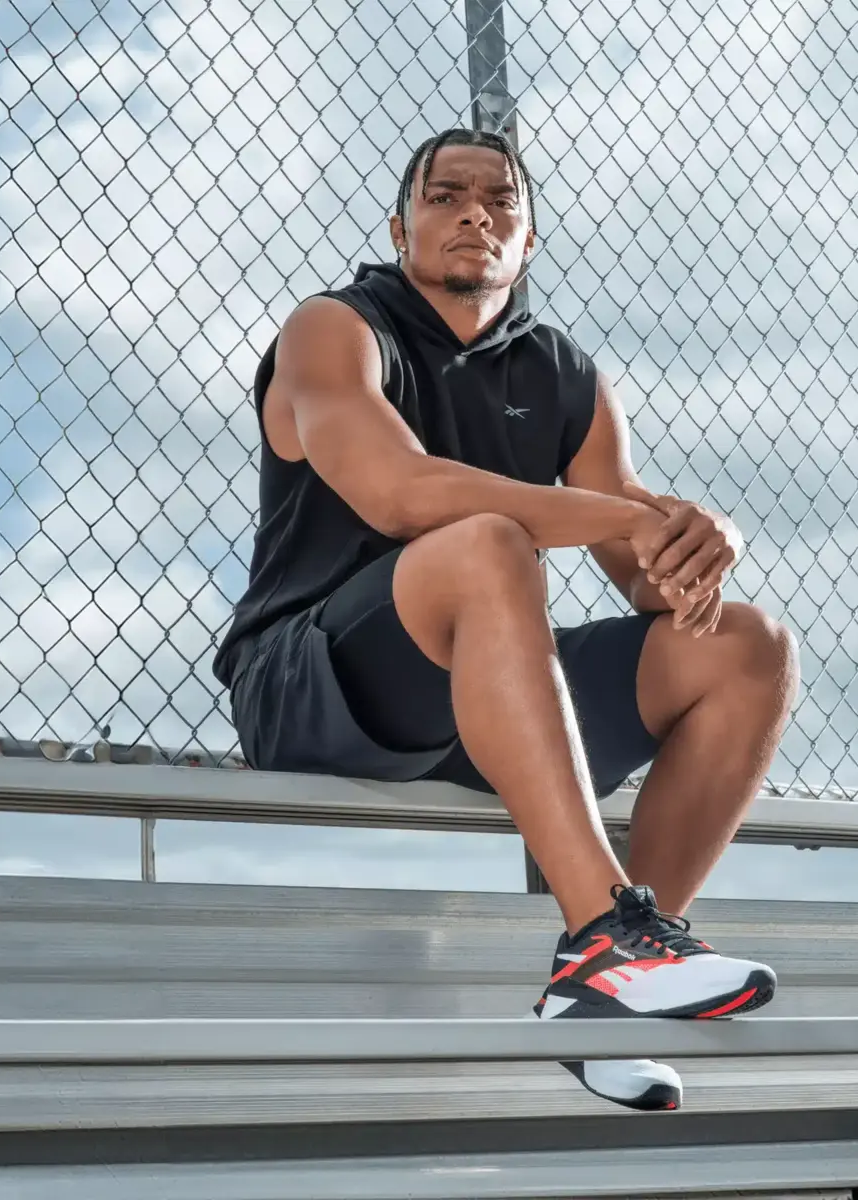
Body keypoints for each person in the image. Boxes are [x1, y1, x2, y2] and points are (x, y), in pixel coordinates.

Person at [213, 127, 800, 1112]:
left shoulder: (564, 373)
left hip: (485, 691)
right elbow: (400, 494)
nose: (473, 214)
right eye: (444, 196)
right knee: (488, 543)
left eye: (500, 201)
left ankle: (606, 981)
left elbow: (644, 576)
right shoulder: (335, 328)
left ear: (528, 244)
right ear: (400, 228)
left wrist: (699, 539)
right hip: (312, 684)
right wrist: (628, 515)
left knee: (749, 647)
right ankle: (609, 933)